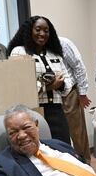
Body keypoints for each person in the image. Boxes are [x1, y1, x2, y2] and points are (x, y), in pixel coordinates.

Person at [8, 16, 73, 144]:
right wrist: (46, 87)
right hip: (33, 112)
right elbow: (19, 86)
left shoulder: (54, 54)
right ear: (29, 30)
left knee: (63, 148)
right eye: (38, 29)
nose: (42, 34)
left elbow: (68, 84)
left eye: (46, 30)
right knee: (41, 151)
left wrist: (60, 85)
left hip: (57, 110)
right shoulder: (19, 51)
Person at [60, 36, 92, 161]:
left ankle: (86, 165)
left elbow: (79, 66)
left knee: (78, 134)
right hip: (50, 96)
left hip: (70, 93)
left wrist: (82, 93)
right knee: (59, 136)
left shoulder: (63, 43)